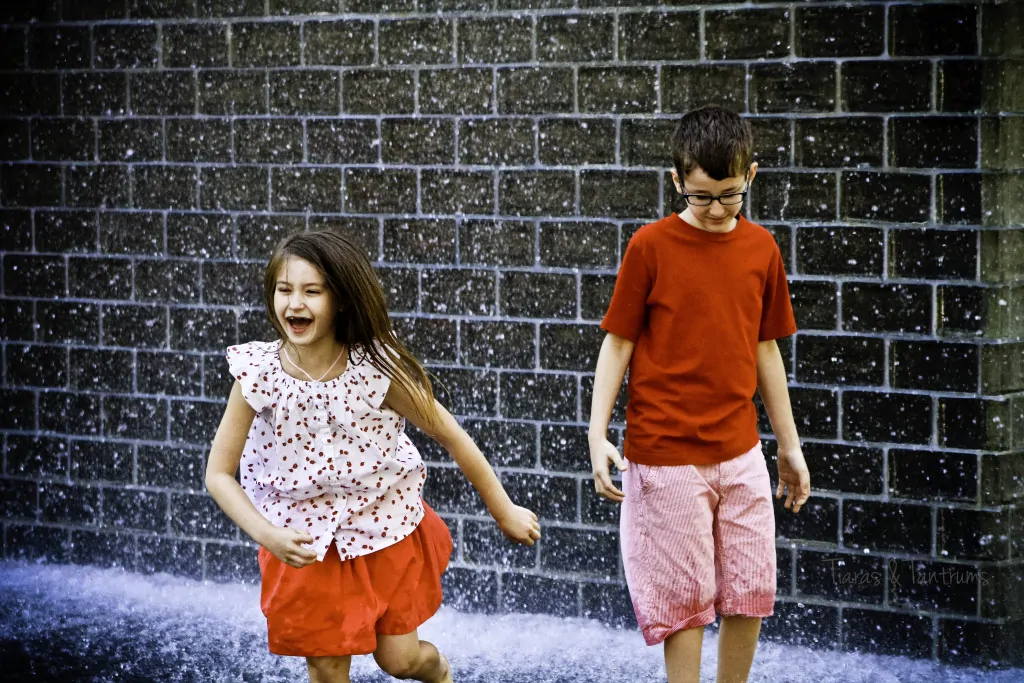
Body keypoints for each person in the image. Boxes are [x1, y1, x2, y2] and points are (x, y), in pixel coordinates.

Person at [205, 229, 541, 683]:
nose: (293, 304)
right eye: (284, 290)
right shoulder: (257, 375)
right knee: (326, 665)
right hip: (303, 542)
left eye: (311, 291)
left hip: (382, 528)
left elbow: (452, 436)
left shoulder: (376, 372)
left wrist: (504, 510)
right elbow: (218, 475)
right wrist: (268, 535)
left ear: (340, 299)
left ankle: (440, 673)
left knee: (400, 661)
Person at [587, 106, 812, 683]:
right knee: (684, 599)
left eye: (730, 196)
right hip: (666, 457)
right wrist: (597, 433)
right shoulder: (650, 246)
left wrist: (789, 446)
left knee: (751, 588)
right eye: (701, 195)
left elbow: (766, 351)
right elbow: (618, 344)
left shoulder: (762, 249)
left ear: (752, 176)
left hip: (740, 453)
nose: (715, 210)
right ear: (676, 180)